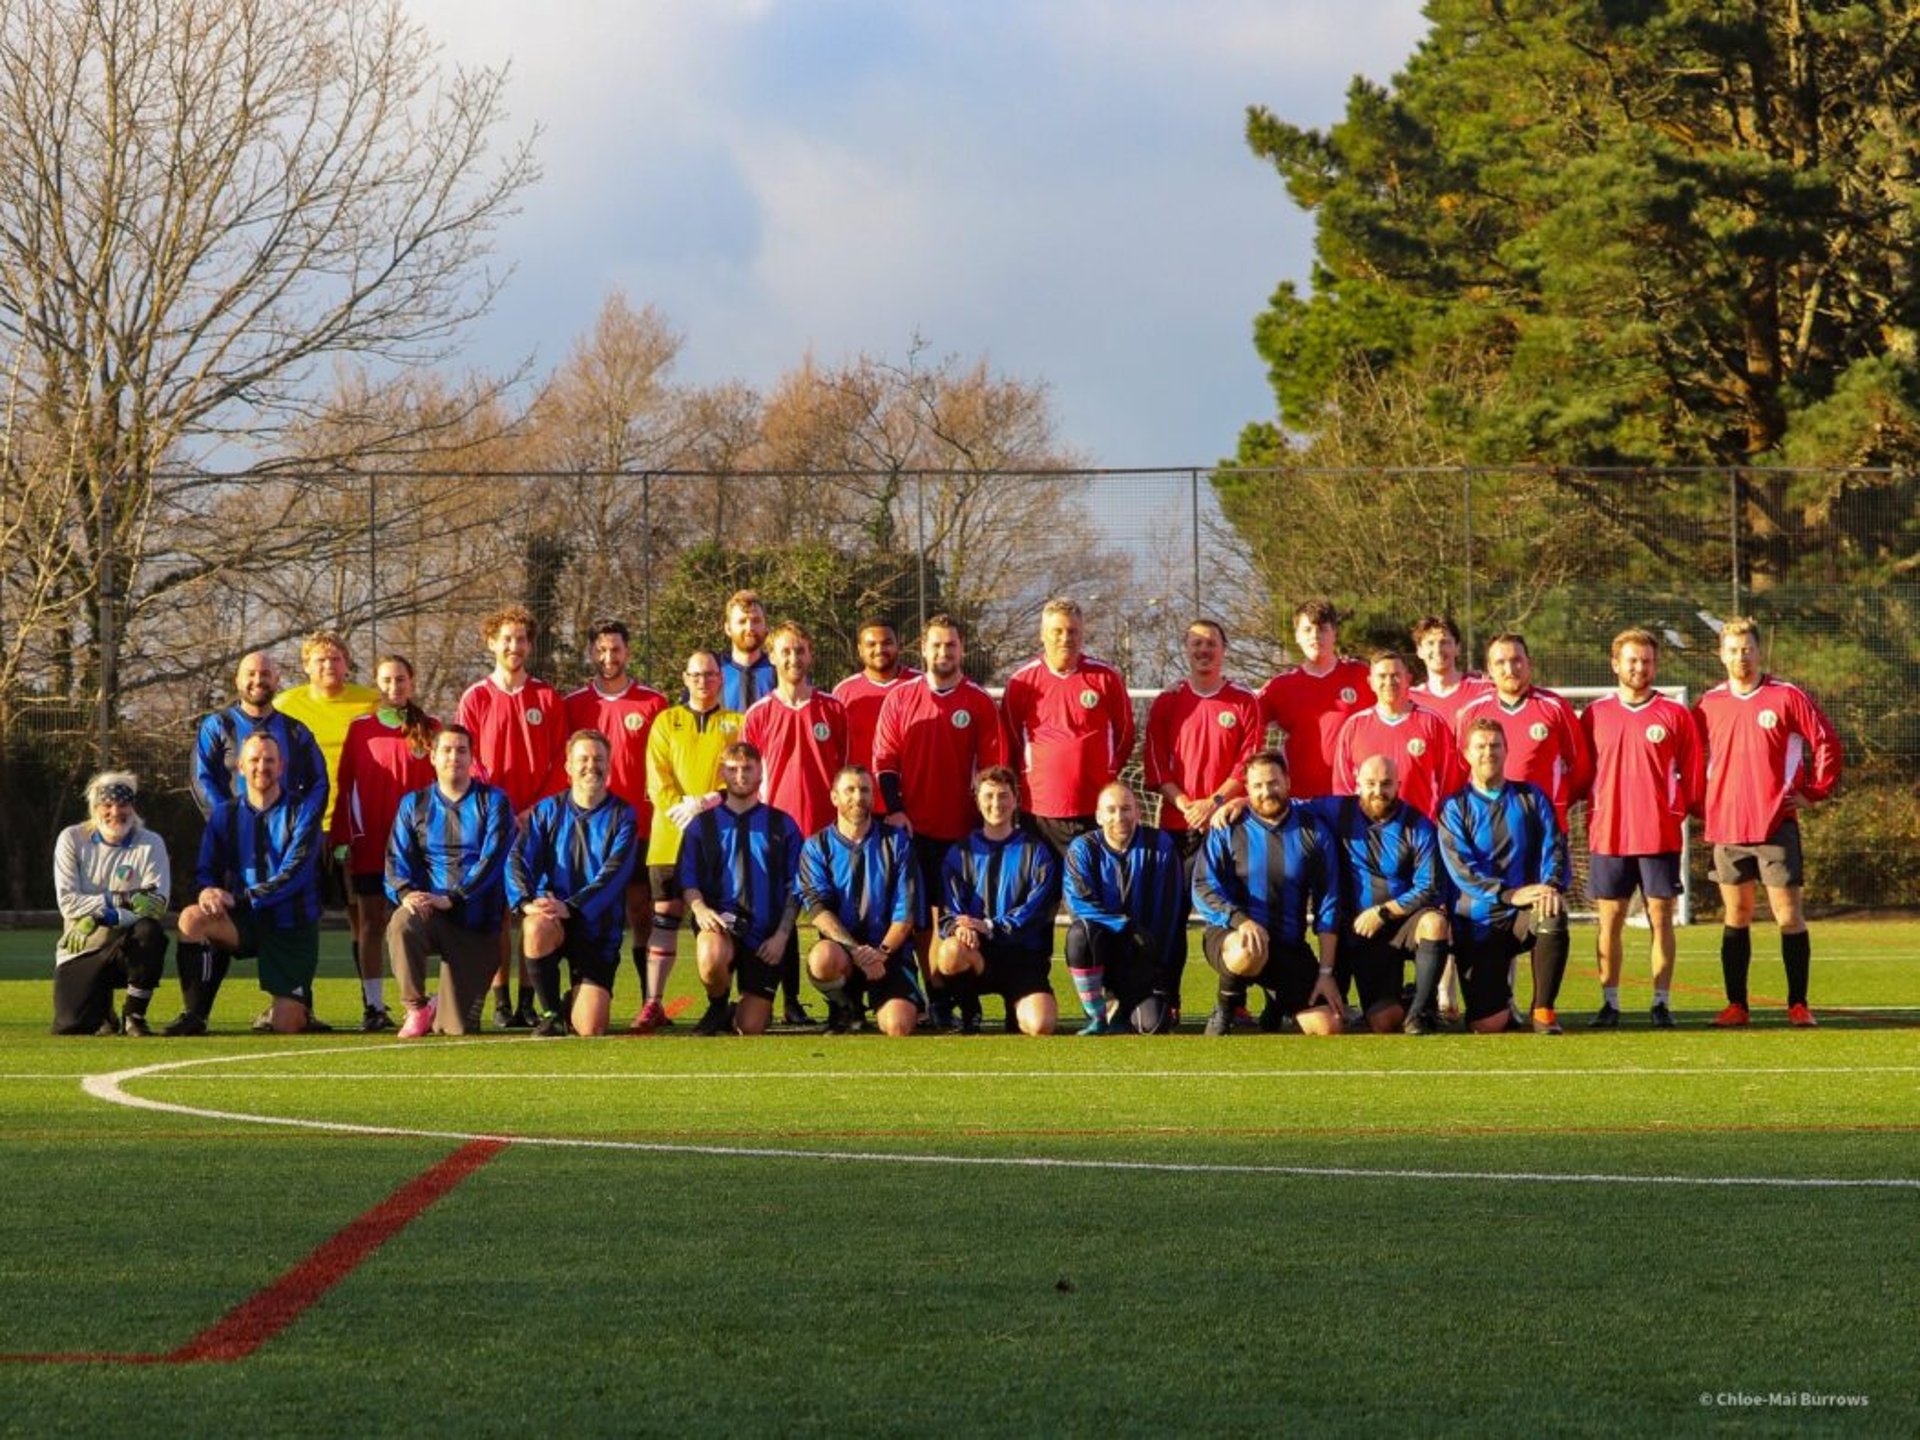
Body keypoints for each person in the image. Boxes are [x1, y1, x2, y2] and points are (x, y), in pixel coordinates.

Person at [1693, 617, 1843, 1028]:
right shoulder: (1709, 703)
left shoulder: (1786, 696)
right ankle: (1736, 1005)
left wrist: (1814, 790)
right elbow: (1688, 755)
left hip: (1775, 823)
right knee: (1735, 915)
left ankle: (1798, 1003)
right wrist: (1696, 801)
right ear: (1720, 655)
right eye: (1733, 650)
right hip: (1727, 828)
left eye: (1747, 649)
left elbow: (1826, 740)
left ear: (1760, 652)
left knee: (1788, 916)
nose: (1741, 657)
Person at [871, 614, 1008, 1025]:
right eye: (936, 645)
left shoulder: (979, 702)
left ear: (961, 649)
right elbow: (885, 761)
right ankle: (936, 998)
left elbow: (993, 771)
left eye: (951, 645)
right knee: (920, 922)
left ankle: (967, 998)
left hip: (965, 836)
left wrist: (984, 825)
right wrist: (895, 810)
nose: (943, 652)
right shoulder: (900, 698)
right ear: (923, 649)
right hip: (915, 829)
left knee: (964, 919)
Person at [185, 651, 329, 1029]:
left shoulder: (296, 732)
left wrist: (303, 817)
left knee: (287, 1026)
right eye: (250, 673)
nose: (258, 679)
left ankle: (295, 1005)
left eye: (265, 673)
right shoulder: (217, 726)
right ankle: (194, 1014)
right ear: (238, 680)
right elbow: (202, 779)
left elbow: (319, 781)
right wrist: (233, 817)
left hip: (288, 913)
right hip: (240, 882)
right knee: (194, 918)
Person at [1580, 628, 1703, 1028]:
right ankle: (1610, 1003)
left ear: (1655, 664)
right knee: (1609, 920)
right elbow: (1582, 773)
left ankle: (1661, 1002)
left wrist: (1674, 811)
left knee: (1662, 918)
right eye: (1632, 660)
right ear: (1615, 664)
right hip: (1609, 834)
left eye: (1646, 660)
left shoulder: (1675, 714)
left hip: (1658, 836)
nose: (1639, 667)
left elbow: (1694, 775)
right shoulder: (1595, 714)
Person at [457, 604, 567, 1029]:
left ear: (530, 645)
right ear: (491, 642)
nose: (514, 646)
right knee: (499, 913)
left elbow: (561, 762)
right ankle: (502, 1001)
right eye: (506, 638)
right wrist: (503, 810)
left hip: (538, 824)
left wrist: (534, 810)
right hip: (493, 823)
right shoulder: (476, 697)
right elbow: (471, 760)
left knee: (534, 910)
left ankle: (529, 999)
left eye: (521, 639)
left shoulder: (547, 697)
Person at [1192, 750, 1344, 1036]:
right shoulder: (1228, 826)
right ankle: (1226, 1009)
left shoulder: (1314, 830)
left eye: (1273, 783)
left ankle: (1277, 1003)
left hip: (1287, 944)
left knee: (1328, 1026)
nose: (1267, 791)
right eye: (1258, 786)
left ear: (1287, 781)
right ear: (1247, 789)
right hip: (1232, 936)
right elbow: (1203, 887)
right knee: (1248, 949)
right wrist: (1240, 921)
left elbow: (1329, 904)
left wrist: (1325, 973)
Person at [1436, 718, 1572, 1034]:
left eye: (1495, 745)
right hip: (1478, 921)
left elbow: (1554, 847)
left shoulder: (1532, 797)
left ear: (1507, 749)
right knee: (1489, 1025)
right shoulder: (1454, 807)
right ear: (1466, 754)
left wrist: (1549, 887)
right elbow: (1462, 870)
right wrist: (1508, 894)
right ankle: (1497, 1002)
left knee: (1552, 910)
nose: (1488, 752)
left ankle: (1543, 1011)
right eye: (1480, 746)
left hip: (1522, 915)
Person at [741, 620, 846, 1026]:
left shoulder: (833, 709)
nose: (793, 658)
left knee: (829, 916)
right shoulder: (758, 714)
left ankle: (838, 999)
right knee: (779, 917)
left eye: (799, 650)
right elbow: (748, 778)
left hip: (826, 836)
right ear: (772, 657)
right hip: (776, 834)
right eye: (785, 651)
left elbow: (845, 772)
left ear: (810, 654)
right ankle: (789, 1001)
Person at [563, 619, 667, 1020]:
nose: (609, 658)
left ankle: (649, 1002)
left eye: (616, 650)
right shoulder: (573, 704)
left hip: (640, 824)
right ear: (591, 652)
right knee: (587, 907)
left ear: (628, 651)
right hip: (588, 831)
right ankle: (579, 991)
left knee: (641, 911)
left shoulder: (653, 703)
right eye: (601, 650)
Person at [273, 630, 379, 1024]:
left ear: (347, 662)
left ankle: (371, 1005)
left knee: (362, 917)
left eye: (335, 659)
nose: (328, 666)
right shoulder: (288, 704)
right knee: (302, 915)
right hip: (305, 828)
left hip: (352, 828)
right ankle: (301, 1005)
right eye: (319, 660)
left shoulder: (370, 701)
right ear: (306, 666)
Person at [384, 725, 516, 1037]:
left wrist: (454, 897)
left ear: (472, 757)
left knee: (454, 1029)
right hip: (433, 914)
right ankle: (416, 1007)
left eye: (461, 750)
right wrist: (405, 893)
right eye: (446, 750)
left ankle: (442, 1004)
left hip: (477, 923)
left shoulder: (493, 801)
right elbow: (395, 860)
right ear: (432, 756)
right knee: (403, 920)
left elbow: (494, 861)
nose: (453, 757)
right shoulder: (413, 804)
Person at [330, 653, 438, 1032]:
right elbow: (345, 787)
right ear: (378, 684)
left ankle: (419, 1004)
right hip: (372, 843)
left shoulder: (432, 728)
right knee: (371, 923)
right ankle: (373, 1006)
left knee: (418, 922)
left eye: (401, 680)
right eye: (387, 680)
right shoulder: (360, 729)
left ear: (412, 681)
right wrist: (343, 837)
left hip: (420, 849)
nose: (395, 687)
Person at [509, 729, 641, 1038]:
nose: (590, 765)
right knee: (535, 926)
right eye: (582, 758)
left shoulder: (624, 815)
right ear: (568, 766)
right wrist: (527, 902)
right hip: (553, 919)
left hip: (597, 930)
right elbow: (518, 859)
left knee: (591, 1028)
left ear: (609, 765)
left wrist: (571, 906)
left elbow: (615, 873)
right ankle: (552, 1013)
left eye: (598, 759)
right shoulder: (546, 811)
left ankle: (574, 1003)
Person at [640, 651, 743, 1032]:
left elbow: (739, 774)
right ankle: (653, 1003)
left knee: (718, 918)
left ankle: (722, 1000)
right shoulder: (667, 721)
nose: (704, 681)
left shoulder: (736, 723)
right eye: (696, 674)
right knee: (665, 916)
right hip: (671, 835)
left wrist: (710, 800)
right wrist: (678, 807)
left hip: (719, 840)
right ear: (685, 677)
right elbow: (658, 775)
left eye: (711, 674)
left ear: (721, 678)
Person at [1313, 755, 1451, 1034]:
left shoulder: (1418, 826)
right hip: (1348, 930)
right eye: (1371, 783)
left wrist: (1383, 912)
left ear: (1398, 785)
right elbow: (1286, 809)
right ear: (1357, 784)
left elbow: (1430, 887)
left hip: (1396, 925)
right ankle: (1404, 997)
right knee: (1338, 1022)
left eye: (1386, 784)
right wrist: (1239, 802)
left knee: (1435, 923)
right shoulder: (1336, 810)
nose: (1379, 791)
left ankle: (1419, 1011)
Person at [677, 742, 803, 1037]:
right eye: (732, 769)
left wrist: (782, 936)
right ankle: (718, 1005)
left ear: (760, 773)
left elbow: (797, 886)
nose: (740, 775)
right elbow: (687, 879)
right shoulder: (701, 825)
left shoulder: (782, 824)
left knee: (750, 1027)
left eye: (748, 768)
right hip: (721, 924)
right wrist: (700, 909)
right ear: (722, 773)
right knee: (711, 952)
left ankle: (741, 1010)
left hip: (766, 936)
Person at [1000, 596, 1135, 859]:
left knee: (1093, 887)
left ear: (1082, 634)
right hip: (1040, 809)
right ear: (1043, 635)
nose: (1065, 638)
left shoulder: (1106, 678)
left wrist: (1105, 770)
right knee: (1044, 889)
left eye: (1072, 631)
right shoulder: (1021, 682)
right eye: (1057, 631)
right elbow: (1011, 739)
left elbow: (1125, 734)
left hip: (1095, 808)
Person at [933, 767, 1060, 1036]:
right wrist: (960, 928)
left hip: (1023, 957)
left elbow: (1036, 912)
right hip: (977, 953)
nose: (996, 804)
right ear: (977, 800)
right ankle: (970, 1011)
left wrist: (989, 925)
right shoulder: (960, 852)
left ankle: (1015, 1010)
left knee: (1040, 1025)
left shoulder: (1036, 851)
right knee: (949, 952)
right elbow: (948, 913)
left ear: (1016, 800)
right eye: (989, 796)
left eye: (1003, 796)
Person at [797, 766, 922, 1036]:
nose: (858, 797)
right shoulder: (816, 846)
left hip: (888, 953)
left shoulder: (896, 842)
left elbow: (906, 912)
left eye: (865, 790)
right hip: (844, 953)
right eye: (850, 790)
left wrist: (882, 952)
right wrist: (856, 952)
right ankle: (846, 1008)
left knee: (898, 1026)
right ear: (834, 797)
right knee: (822, 958)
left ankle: (899, 1000)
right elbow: (819, 910)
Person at [52, 772, 171, 1036]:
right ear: (94, 808)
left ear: (133, 806)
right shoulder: (71, 839)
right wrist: (119, 898)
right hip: (83, 946)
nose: (115, 811)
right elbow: (68, 903)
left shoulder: (151, 843)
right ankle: (103, 1009)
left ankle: (134, 1015)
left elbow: (156, 904)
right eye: (107, 804)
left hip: (126, 944)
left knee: (149, 931)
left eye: (123, 803)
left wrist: (101, 916)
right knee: (71, 1026)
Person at [1062, 783, 1185, 1034]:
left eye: (1126, 809)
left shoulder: (1160, 846)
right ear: (1099, 816)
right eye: (1111, 810)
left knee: (1152, 1026)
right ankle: (1098, 1014)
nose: (1120, 817)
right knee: (1078, 934)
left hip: (1143, 958)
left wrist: (1161, 976)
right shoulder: (1082, 848)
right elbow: (1078, 904)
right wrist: (1125, 926)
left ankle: (1127, 1006)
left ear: (1138, 812)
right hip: (1102, 953)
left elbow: (1170, 914)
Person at [1454, 633, 1593, 830]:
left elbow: (1580, 769)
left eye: (1516, 660)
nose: (1509, 669)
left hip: (1544, 827)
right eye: (1500, 662)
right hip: (1488, 826)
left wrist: (1556, 803)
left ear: (1529, 663)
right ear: (1490, 669)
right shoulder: (1472, 712)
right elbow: (1460, 770)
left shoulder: (1555, 707)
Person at [1331, 650, 1466, 820]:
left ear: (1408, 679)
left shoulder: (1432, 722)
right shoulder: (1354, 726)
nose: (1389, 682)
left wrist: (1443, 824)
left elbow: (1450, 783)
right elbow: (1343, 786)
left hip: (1419, 832)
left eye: (1395, 675)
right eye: (1382, 676)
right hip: (1369, 834)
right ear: (1370, 682)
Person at [1258, 599, 1371, 801]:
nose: (1315, 636)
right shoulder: (1280, 686)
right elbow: (1244, 721)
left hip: (1354, 798)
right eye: (1307, 629)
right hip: (1301, 801)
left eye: (1322, 629)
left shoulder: (1361, 675)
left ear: (1334, 633)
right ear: (1297, 636)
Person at [832, 618, 918, 816]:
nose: (879, 649)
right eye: (871, 644)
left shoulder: (920, 685)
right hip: (860, 806)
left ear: (899, 645)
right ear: (860, 649)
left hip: (911, 805)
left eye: (887, 642)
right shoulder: (843, 693)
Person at [1409, 614, 1491, 730]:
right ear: (1419, 651)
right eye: (1430, 643)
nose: (1437, 650)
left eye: (1444, 642)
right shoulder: (1410, 699)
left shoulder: (1484, 690)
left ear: (1457, 648)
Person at [719, 589, 776, 713]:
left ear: (765, 626)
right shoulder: (714, 672)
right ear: (728, 628)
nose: (750, 627)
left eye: (756, 621)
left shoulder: (779, 670)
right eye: (742, 621)